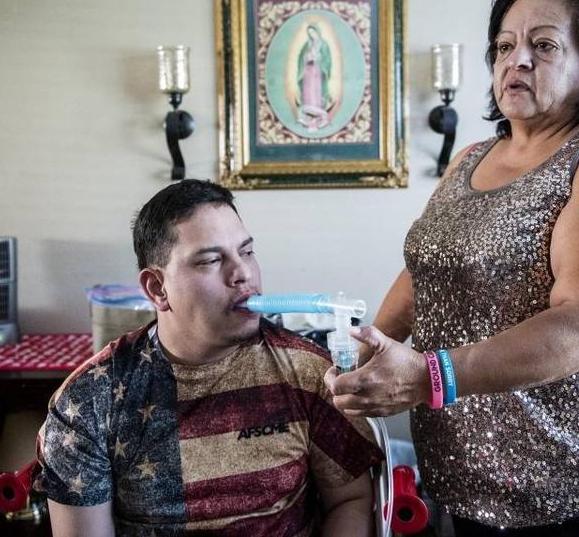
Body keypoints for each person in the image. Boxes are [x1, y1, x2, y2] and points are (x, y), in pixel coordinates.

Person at [325, 0, 579, 536]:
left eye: (543, 45)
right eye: (504, 45)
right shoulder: (471, 157)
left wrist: (429, 376)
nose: (515, 60)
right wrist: (368, 357)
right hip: (476, 473)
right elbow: (428, 267)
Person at [35, 179, 382, 537]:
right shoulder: (89, 402)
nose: (243, 273)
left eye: (246, 252)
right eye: (212, 260)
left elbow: (350, 501)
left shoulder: (309, 372)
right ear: (157, 288)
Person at [296, 24, 334, 131]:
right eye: (309, 33)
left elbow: (327, 60)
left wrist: (319, 59)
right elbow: (300, 58)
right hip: (307, 72)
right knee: (308, 91)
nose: (311, 35)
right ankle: (309, 114)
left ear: (317, 32)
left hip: (317, 72)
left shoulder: (324, 44)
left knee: (316, 92)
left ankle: (318, 113)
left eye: (313, 32)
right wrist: (307, 57)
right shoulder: (307, 44)